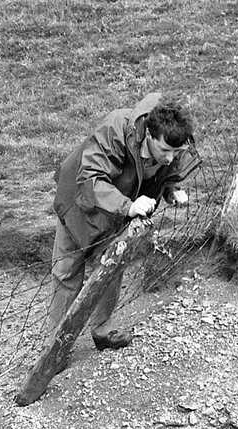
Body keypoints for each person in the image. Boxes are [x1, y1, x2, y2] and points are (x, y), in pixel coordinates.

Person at [48, 93, 199, 350]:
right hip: (80, 201)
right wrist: (128, 207)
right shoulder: (115, 130)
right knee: (67, 271)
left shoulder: (172, 140)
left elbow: (160, 172)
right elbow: (91, 179)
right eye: (165, 150)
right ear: (149, 135)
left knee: (112, 265)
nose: (171, 158)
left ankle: (103, 331)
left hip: (120, 211)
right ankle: (56, 345)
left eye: (177, 152)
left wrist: (169, 189)